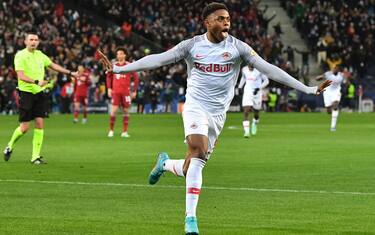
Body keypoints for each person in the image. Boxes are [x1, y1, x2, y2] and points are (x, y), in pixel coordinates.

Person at [97, 3, 331, 234]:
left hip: (218, 115)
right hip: (195, 106)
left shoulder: (239, 48)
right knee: (198, 149)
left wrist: (308, 89)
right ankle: (190, 220)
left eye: (227, 18)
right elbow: (158, 59)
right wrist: (118, 69)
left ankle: (166, 164)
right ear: (206, 23)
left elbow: (269, 68)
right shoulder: (192, 46)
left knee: (194, 164)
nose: (226, 22)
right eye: (219, 18)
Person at [3, 32, 78, 164]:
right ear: (25, 42)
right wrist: (37, 82)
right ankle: (9, 146)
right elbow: (20, 75)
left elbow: (53, 65)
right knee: (24, 128)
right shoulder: (20, 55)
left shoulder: (40, 55)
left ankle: (35, 157)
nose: (34, 42)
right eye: (31, 39)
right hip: (26, 93)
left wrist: (70, 73)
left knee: (40, 124)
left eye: (36, 40)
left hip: (39, 93)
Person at [106, 47, 139, 138]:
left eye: (121, 53)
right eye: (118, 54)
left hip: (126, 92)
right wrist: (109, 88)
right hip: (116, 92)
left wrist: (134, 90)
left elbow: (136, 78)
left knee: (126, 111)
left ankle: (124, 132)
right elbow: (108, 76)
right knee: (114, 111)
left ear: (124, 55)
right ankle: (111, 131)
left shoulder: (129, 65)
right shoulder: (114, 65)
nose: (119, 55)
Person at [238, 65, 269, 137]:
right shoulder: (244, 69)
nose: (250, 67)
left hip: (257, 93)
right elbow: (243, 77)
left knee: (256, 112)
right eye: (249, 66)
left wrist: (258, 88)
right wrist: (240, 86)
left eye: (252, 66)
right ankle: (246, 132)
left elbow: (266, 81)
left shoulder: (260, 70)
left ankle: (255, 122)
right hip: (248, 91)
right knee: (246, 110)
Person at [316, 65, 344, 131]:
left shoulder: (341, 75)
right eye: (333, 68)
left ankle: (333, 127)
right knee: (329, 111)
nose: (334, 69)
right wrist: (321, 77)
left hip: (336, 92)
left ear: (338, 69)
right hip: (327, 92)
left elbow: (347, 80)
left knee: (335, 106)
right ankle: (335, 113)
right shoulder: (328, 74)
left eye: (336, 68)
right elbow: (317, 78)